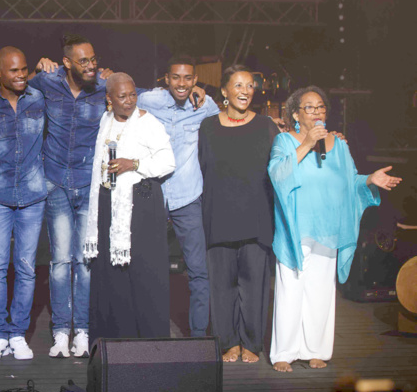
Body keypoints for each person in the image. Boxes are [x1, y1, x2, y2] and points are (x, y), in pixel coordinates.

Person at [0, 34, 206, 358]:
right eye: (83, 61)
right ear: (68, 63)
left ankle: (83, 331)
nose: (92, 65)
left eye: (93, 59)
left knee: (86, 262)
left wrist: (191, 89)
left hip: (88, 186)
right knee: (59, 263)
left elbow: (141, 95)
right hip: (56, 182)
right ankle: (60, 332)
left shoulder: (104, 87)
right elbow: (14, 82)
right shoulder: (47, 83)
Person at [268, 86, 402, 372]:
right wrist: (306, 143)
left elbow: (350, 181)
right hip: (296, 227)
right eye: (309, 107)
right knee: (291, 288)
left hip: (328, 226)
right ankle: (284, 352)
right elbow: (277, 174)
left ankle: (316, 350)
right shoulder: (283, 141)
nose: (317, 112)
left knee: (320, 291)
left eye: (321, 107)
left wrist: (369, 180)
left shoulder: (339, 145)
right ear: (295, 114)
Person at [84, 73, 175, 343]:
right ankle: (115, 343)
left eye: (133, 95)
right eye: (122, 97)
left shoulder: (149, 123)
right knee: (113, 275)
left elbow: (168, 162)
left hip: (142, 204)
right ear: (109, 99)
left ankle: (148, 344)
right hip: (108, 203)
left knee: (143, 274)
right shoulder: (106, 119)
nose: (129, 101)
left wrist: (133, 164)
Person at [198, 65, 279, 363]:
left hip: (256, 217)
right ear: (224, 91)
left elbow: (283, 165)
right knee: (221, 286)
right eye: (238, 85)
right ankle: (228, 342)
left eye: (250, 85)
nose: (245, 91)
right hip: (218, 216)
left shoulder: (267, 126)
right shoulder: (207, 127)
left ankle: (251, 342)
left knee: (254, 285)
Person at [0, 46, 47, 362]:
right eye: (13, 70)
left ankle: (18, 334)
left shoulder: (37, 99)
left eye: (24, 70)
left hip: (32, 197)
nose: (21, 76)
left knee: (27, 269)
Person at [137, 54, 220, 337]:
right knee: (149, 268)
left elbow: (227, 125)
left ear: (196, 80)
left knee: (198, 270)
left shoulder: (206, 105)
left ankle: (198, 336)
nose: (182, 83)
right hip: (154, 195)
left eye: (188, 78)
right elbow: (120, 93)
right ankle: (151, 331)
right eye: (176, 77)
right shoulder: (149, 100)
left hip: (188, 196)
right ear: (166, 79)